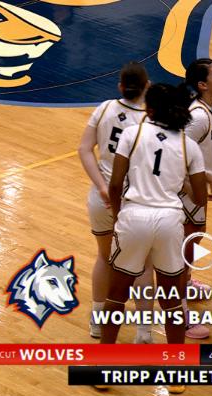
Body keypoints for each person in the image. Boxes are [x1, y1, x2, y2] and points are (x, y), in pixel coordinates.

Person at [101, 83, 207, 393]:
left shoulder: (132, 134)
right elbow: (200, 198)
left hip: (134, 215)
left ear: (150, 109)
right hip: (170, 221)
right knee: (172, 299)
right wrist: (179, 180)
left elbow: (115, 184)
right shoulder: (189, 145)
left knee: (116, 294)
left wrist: (119, 216)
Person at [77, 62, 154, 343]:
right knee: (143, 264)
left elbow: (84, 149)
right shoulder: (148, 120)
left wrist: (101, 186)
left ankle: (98, 321)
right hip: (135, 200)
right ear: (147, 86)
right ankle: (143, 332)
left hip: (103, 199)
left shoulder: (105, 108)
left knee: (104, 257)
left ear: (121, 86)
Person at [179, 58, 212, 339]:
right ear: (202, 85)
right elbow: (177, 150)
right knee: (184, 248)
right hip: (187, 189)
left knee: (195, 238)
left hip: (197, 186)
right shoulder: (198, 116)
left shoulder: (207, 110)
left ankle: (185, 285)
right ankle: (181, 315)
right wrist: (192, 188)